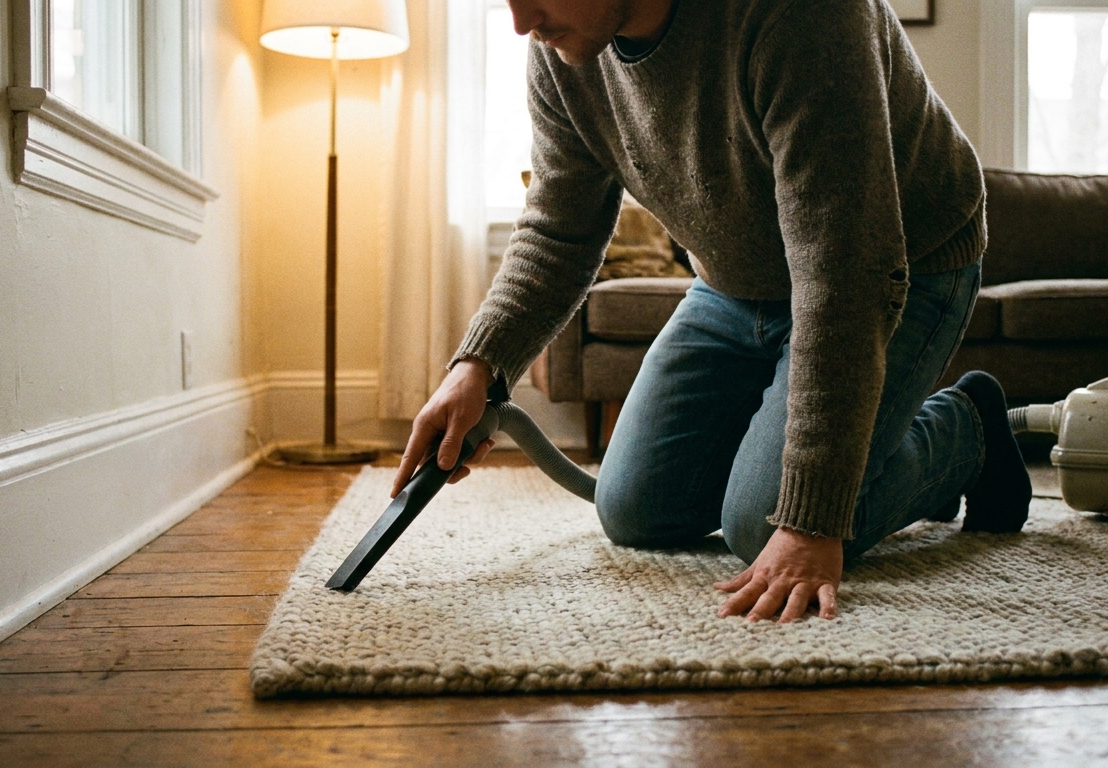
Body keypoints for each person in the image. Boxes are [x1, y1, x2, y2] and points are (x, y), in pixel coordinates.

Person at [391, 0, 1033, 624]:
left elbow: (843, 274)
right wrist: (476, 365)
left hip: (896, 267)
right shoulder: (563, 48)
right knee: (635, 511)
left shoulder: (802, 15)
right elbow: (560, 226)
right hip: (733, 285)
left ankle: (967, 431)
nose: (520, 22)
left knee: (767, 523)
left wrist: (811, 525)